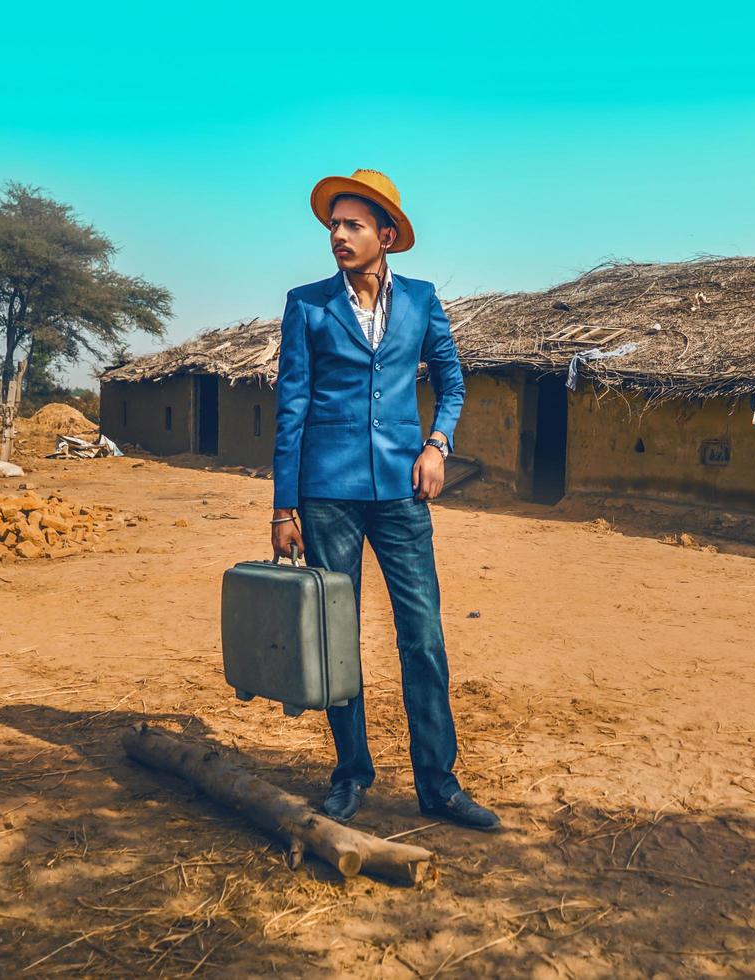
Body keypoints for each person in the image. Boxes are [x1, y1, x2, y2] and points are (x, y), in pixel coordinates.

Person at [270, 169, 499, 831]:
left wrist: (437, 444)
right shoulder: (308, 304)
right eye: (333, 225)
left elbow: (453, 384)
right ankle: (351, 773)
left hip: (402, 489)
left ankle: (439, 784)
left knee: (422, 636)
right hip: (327, 492)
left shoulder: (424, 302)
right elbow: (291, 408)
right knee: (338, 638)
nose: (338, 236)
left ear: (387, 236)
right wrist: (284, 509)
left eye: (353, 225)